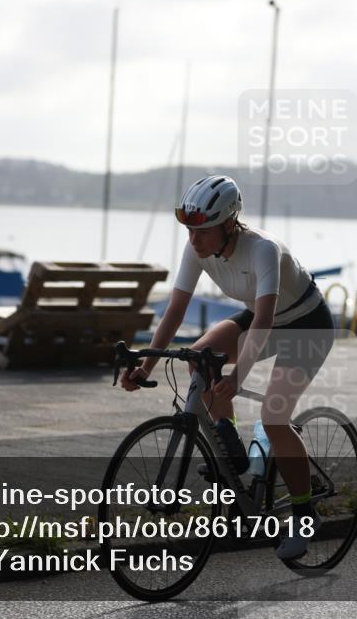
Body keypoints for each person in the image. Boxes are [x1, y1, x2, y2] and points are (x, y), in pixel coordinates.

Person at [121, 175, 335, 560]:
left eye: (202, 230)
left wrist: (238, 377)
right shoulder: (198, 249)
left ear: (229, 223)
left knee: (273, 417)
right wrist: (147, 366)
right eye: (189, 230)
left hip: (305, 327)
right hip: (263, 320)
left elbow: (265, 320)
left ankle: (305, 514)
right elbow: (175, 311)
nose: (193, 239)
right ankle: (232, 453)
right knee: (200, 358)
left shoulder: (263, 250)